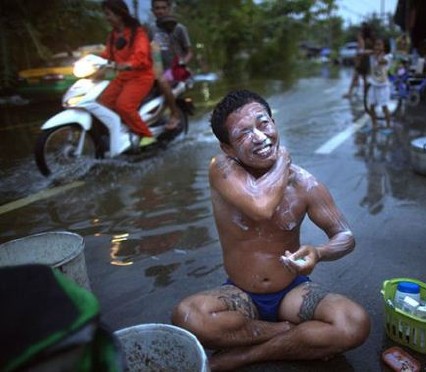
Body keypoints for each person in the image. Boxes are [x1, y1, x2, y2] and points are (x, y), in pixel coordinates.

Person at [172, 90, 371, 370]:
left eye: (263, 124)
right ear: (228, 149)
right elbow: (261, 205)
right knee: (188, 316)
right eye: (243, 134)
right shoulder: (222, 169)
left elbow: (345, 236)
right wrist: (282, 159)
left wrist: (319, 252)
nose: (260, 137)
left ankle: (246, 355)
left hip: (291, 292)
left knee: (354, 323)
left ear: (274, 123)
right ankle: (286, 335)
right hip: (241, 294)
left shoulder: (304, 183)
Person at [99, 0, 155, 147]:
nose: (107, 17)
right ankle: (123, 129)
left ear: (119, 15)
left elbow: (141, 56)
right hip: (122, 77)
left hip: (141, 77)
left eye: (108, 14)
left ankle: (146, 135)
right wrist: (94, 60)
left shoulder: (138, 33)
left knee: (124, 105)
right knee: (103, 103)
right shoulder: (113, 35)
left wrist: (128, 64)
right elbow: (107, 55)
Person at [148, 0, 193, 130]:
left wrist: (182, 62)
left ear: (169, 9)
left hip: (174, 71)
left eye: (163, 8)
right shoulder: (151, 29)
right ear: (153, 11)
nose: (160, 11)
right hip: (156, 70)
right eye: (157, 8)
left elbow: (189, 52)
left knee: (162, 81)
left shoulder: (179, 28)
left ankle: (174, 113)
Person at [343, 23, 375, 99]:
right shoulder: (371, 40)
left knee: (355, 76)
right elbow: (372, 51)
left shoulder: (362, 39)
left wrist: (357, 60)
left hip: (361, 60)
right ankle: (365, 94)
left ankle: (350, 93)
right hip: (367, 60)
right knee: (364, 78)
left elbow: (360, 51)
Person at [368, 38, 392, 128]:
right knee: (371, 106)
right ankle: (374, 125)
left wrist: (377, 53)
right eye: (376, 45)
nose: (377, 47)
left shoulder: (388, 57)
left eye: (379, 45)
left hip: (383, 86)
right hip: (373, 85)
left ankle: (388, 125)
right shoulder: (372, 57)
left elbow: (381, 61)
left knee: (384, 107)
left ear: (384, 47)